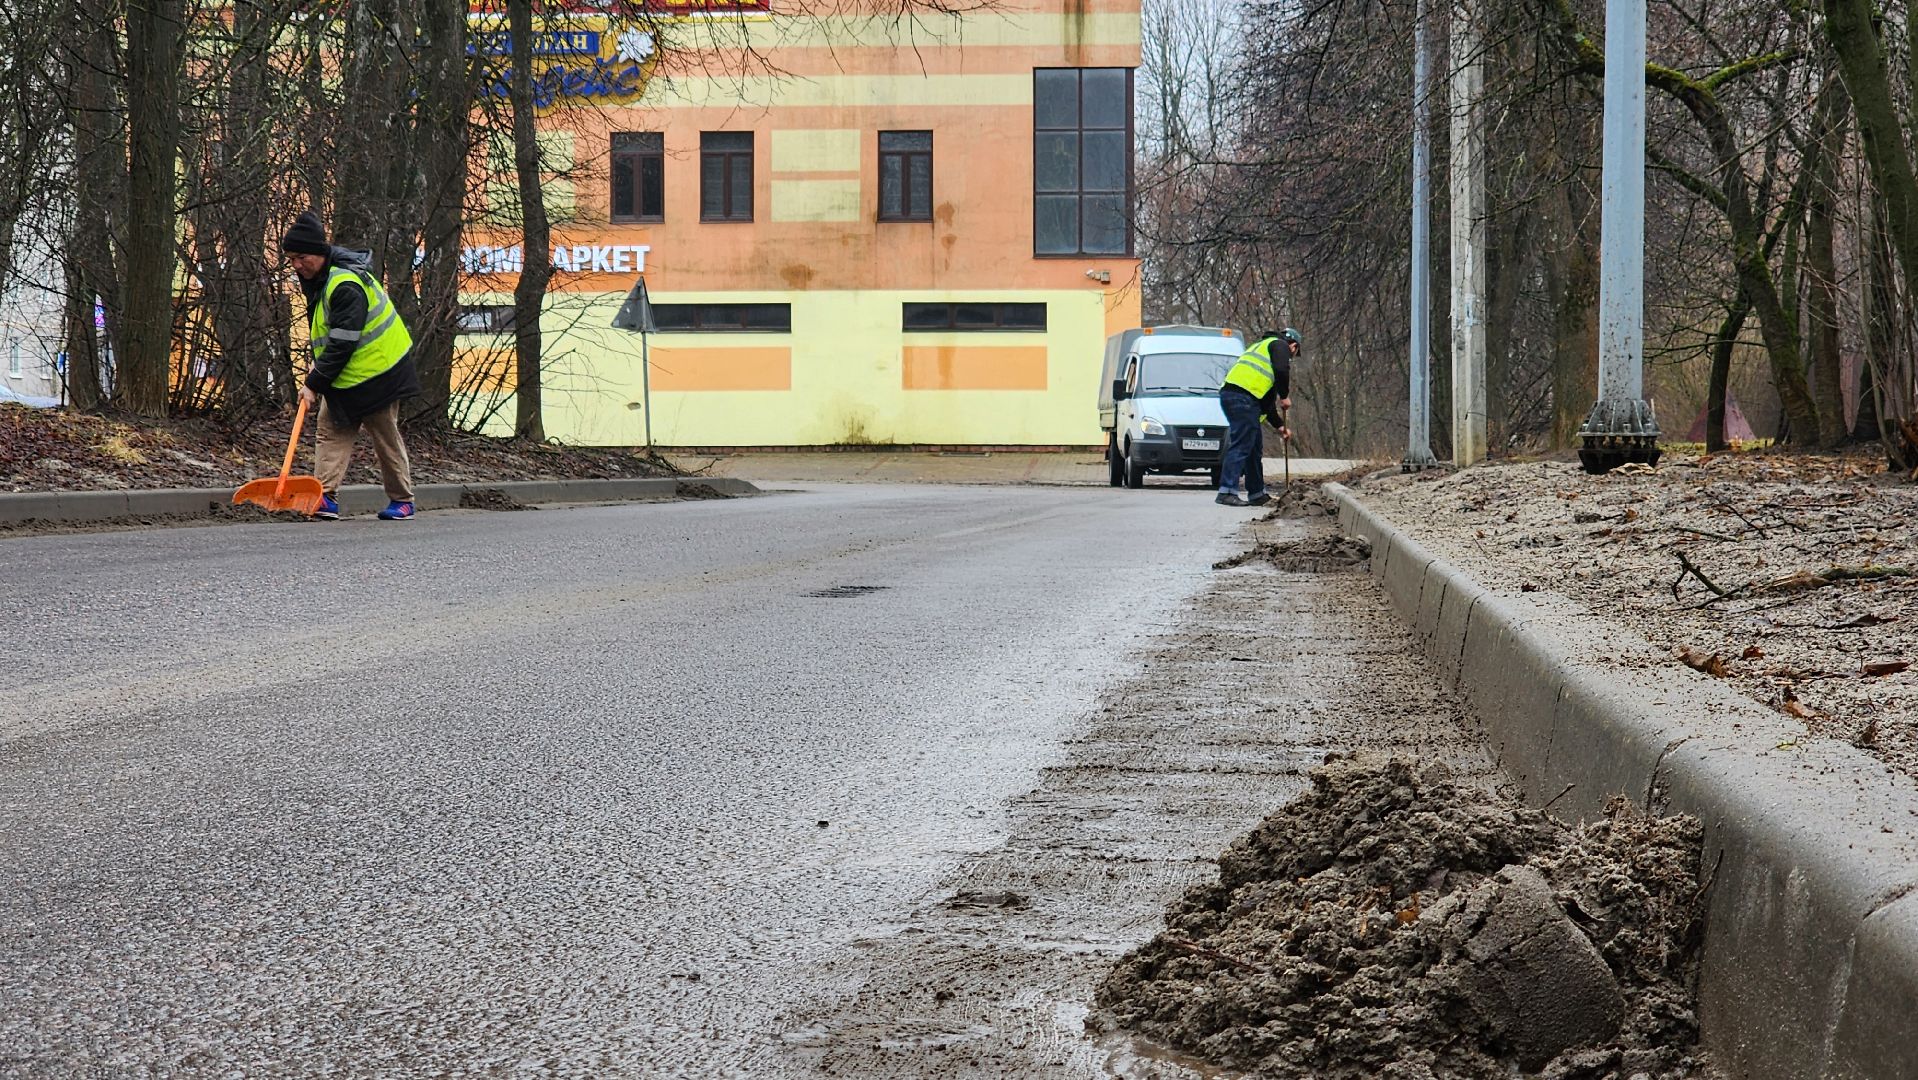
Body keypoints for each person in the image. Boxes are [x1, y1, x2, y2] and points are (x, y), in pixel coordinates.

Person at [281, 210, 422, 521]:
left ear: (318, 251)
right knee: (330, 431)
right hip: (346, 376)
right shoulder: (320, 280)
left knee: (384, 435)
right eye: (291, 259)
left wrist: (314, 382)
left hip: (379, 374)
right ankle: (325, 497)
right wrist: (320, 376)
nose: (296, 265)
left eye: (300, 257)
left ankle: (402, 500)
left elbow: (343, 342)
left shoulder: (345, 284)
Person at [1215, 328, 1298, 507]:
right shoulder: (1280, 345)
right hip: (1242, 397)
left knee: (1253, 447)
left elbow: (1267, 404)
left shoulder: (1261, 346)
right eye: (1294, 353)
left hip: (1237, 396)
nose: (1291, 358)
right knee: (1242, 444)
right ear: (1293, 346)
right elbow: (1282, 370)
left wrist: (1280, 426)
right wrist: (1285, 396)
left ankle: (1257, 493)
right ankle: (1226, 491)